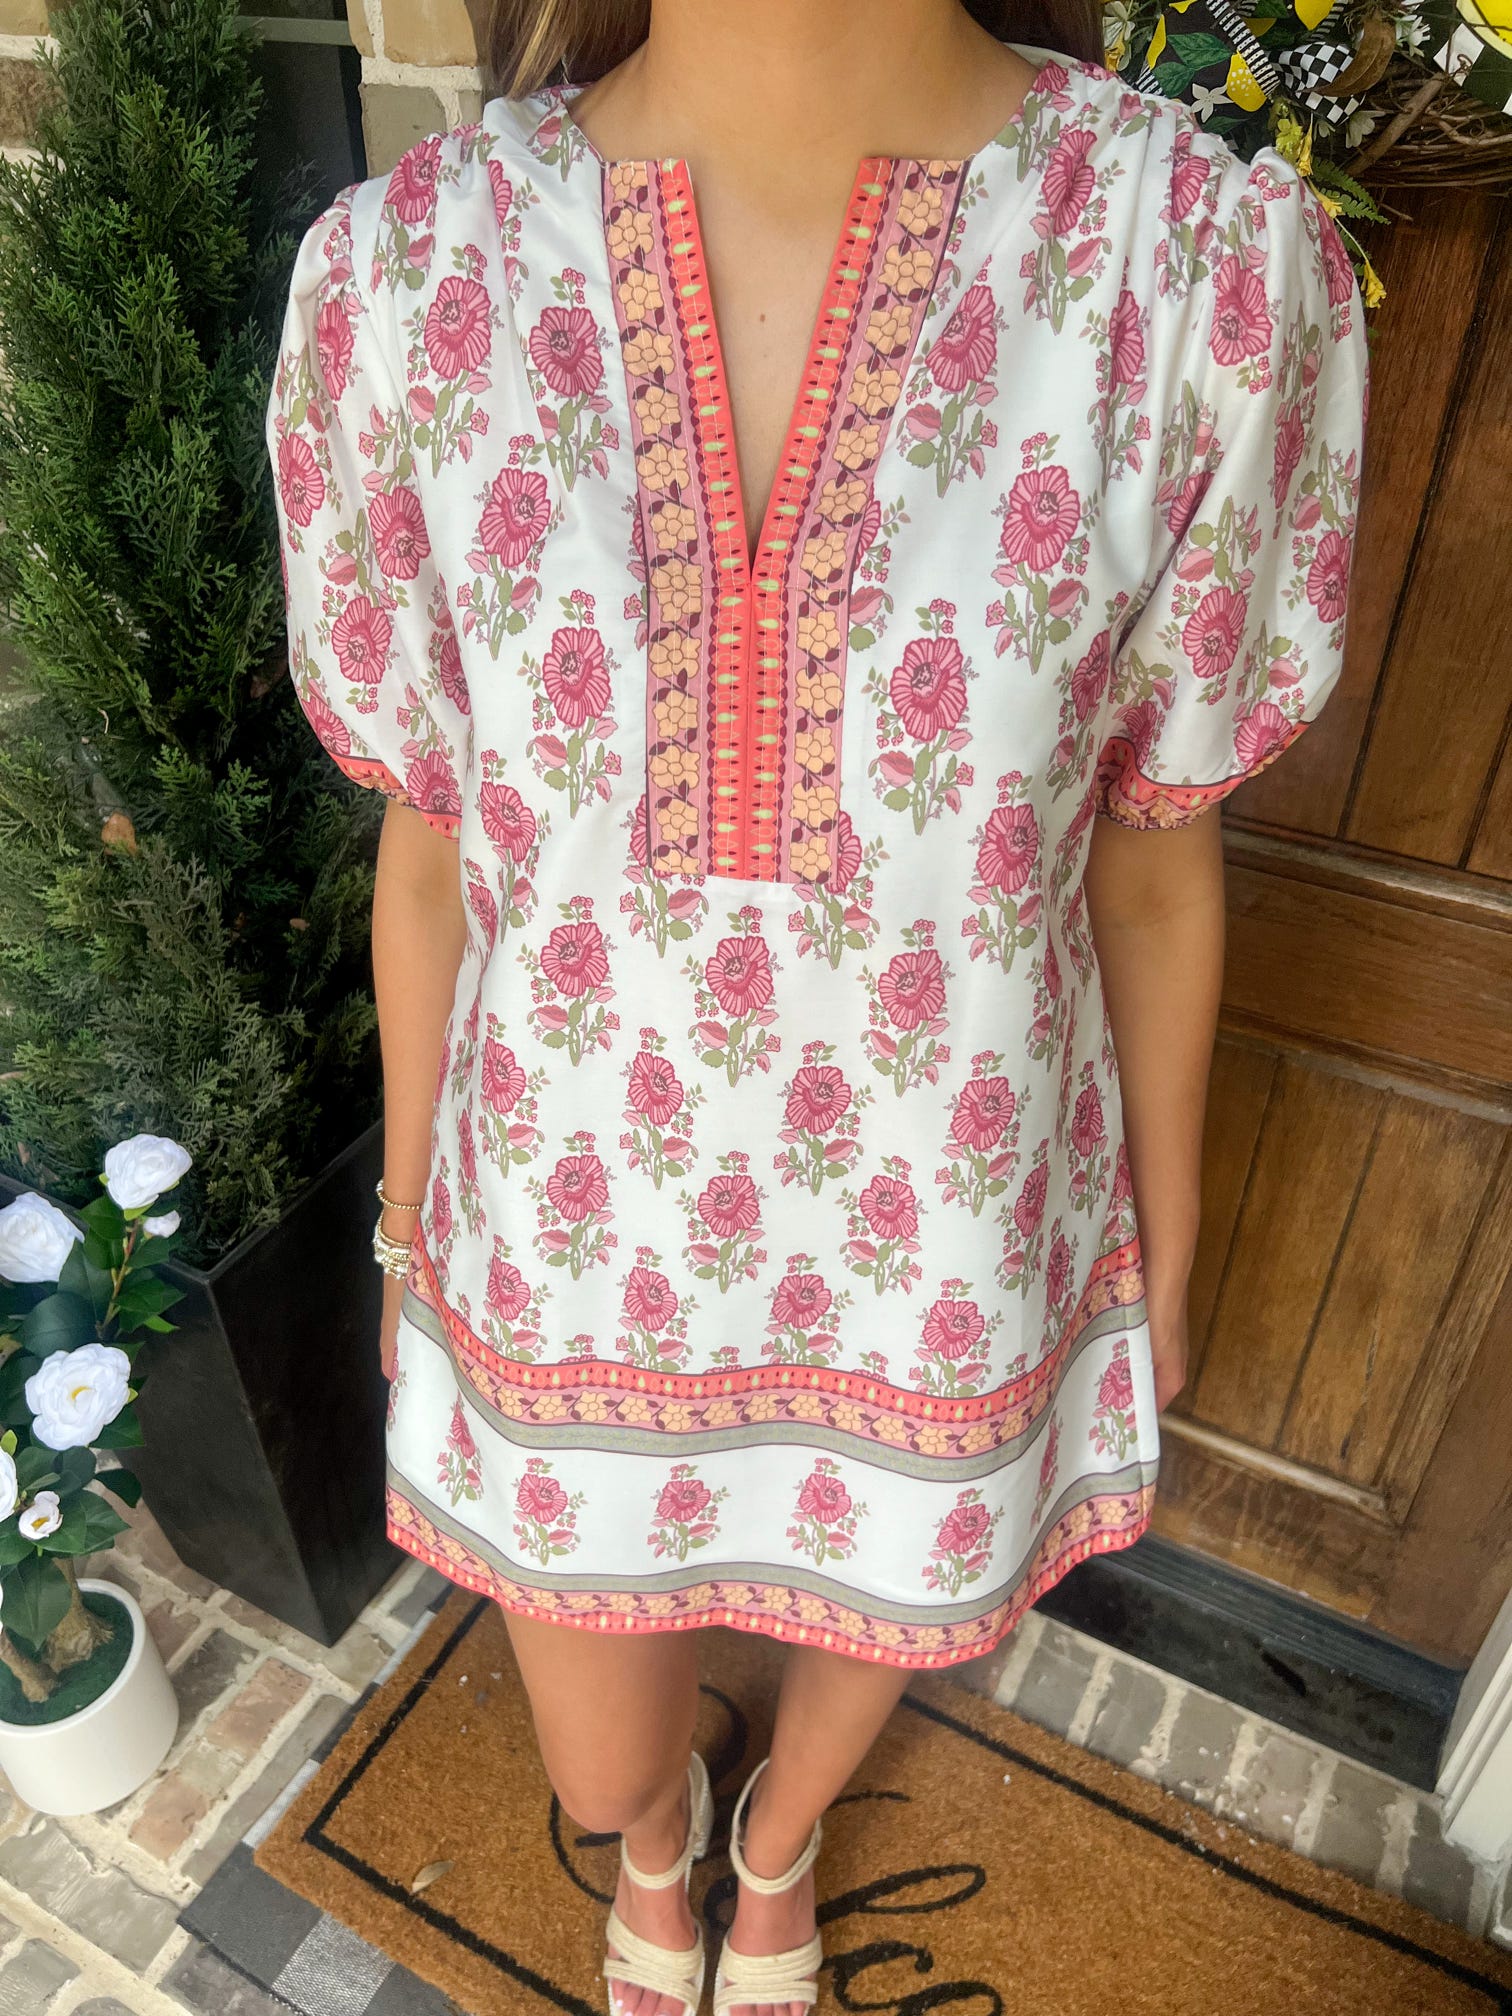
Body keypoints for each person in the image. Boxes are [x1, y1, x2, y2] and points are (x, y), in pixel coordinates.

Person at [265, 3, 1369, 2011]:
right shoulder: (409, 279)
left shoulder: (1190, 268)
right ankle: (667, 1832)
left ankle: (769, 1854)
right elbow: (430, 848)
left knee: (909, 1601)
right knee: (601, 1771)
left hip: (945, 1233)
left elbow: (1151, 848)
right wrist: (411, 1230)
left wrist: (1164, 1245)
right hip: (569, 1243)